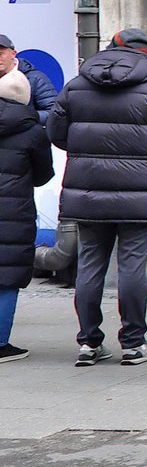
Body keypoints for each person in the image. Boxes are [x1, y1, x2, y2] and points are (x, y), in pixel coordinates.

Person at [51, 28, 147, 366]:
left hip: (87, 190)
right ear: (146, 52)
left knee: (89, 265)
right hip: (139, 191)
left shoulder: (77, 85)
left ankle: (89, 342)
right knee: (133, 266)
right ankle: (134, 343)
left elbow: (57, 134)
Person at [0, 69, 54, 362]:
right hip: (14, 209)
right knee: (7, 277)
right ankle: (0, 344)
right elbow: (44, 174)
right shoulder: (32, 130)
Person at [0, 35, 56, 118]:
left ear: (13, 54)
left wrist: (26, 118)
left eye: (0, 54)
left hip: (24, 129)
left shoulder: (36, 79)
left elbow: (54, 112)